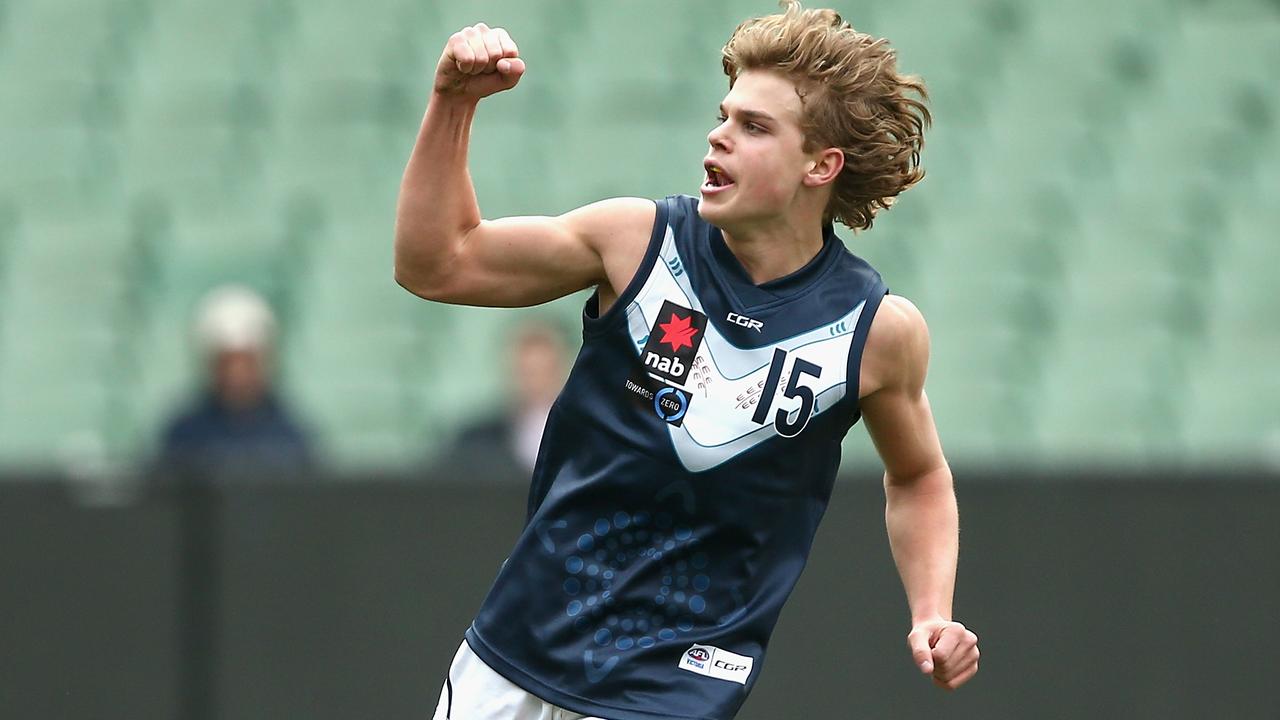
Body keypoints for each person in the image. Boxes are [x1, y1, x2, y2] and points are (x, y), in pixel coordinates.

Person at [395, 3, 980, 718]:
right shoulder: (633, 242)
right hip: (515, 654)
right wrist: (452, 103)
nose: (718, 136)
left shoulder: (876, 331)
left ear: (821, 166)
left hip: (677, 687)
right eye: (725, 114)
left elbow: (918, 474)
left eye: (754, 127)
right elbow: (436, 265)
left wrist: (931, 612)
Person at [156, 285, 313, 480]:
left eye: (246, 362)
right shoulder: (184, 435)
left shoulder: (290, 436)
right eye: (227, 363)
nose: (237, 374)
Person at [443, 320, 572, 479]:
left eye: (545, 370)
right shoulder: (476, 443)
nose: (535, 383)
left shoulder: (590, 439)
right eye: (527, 372)